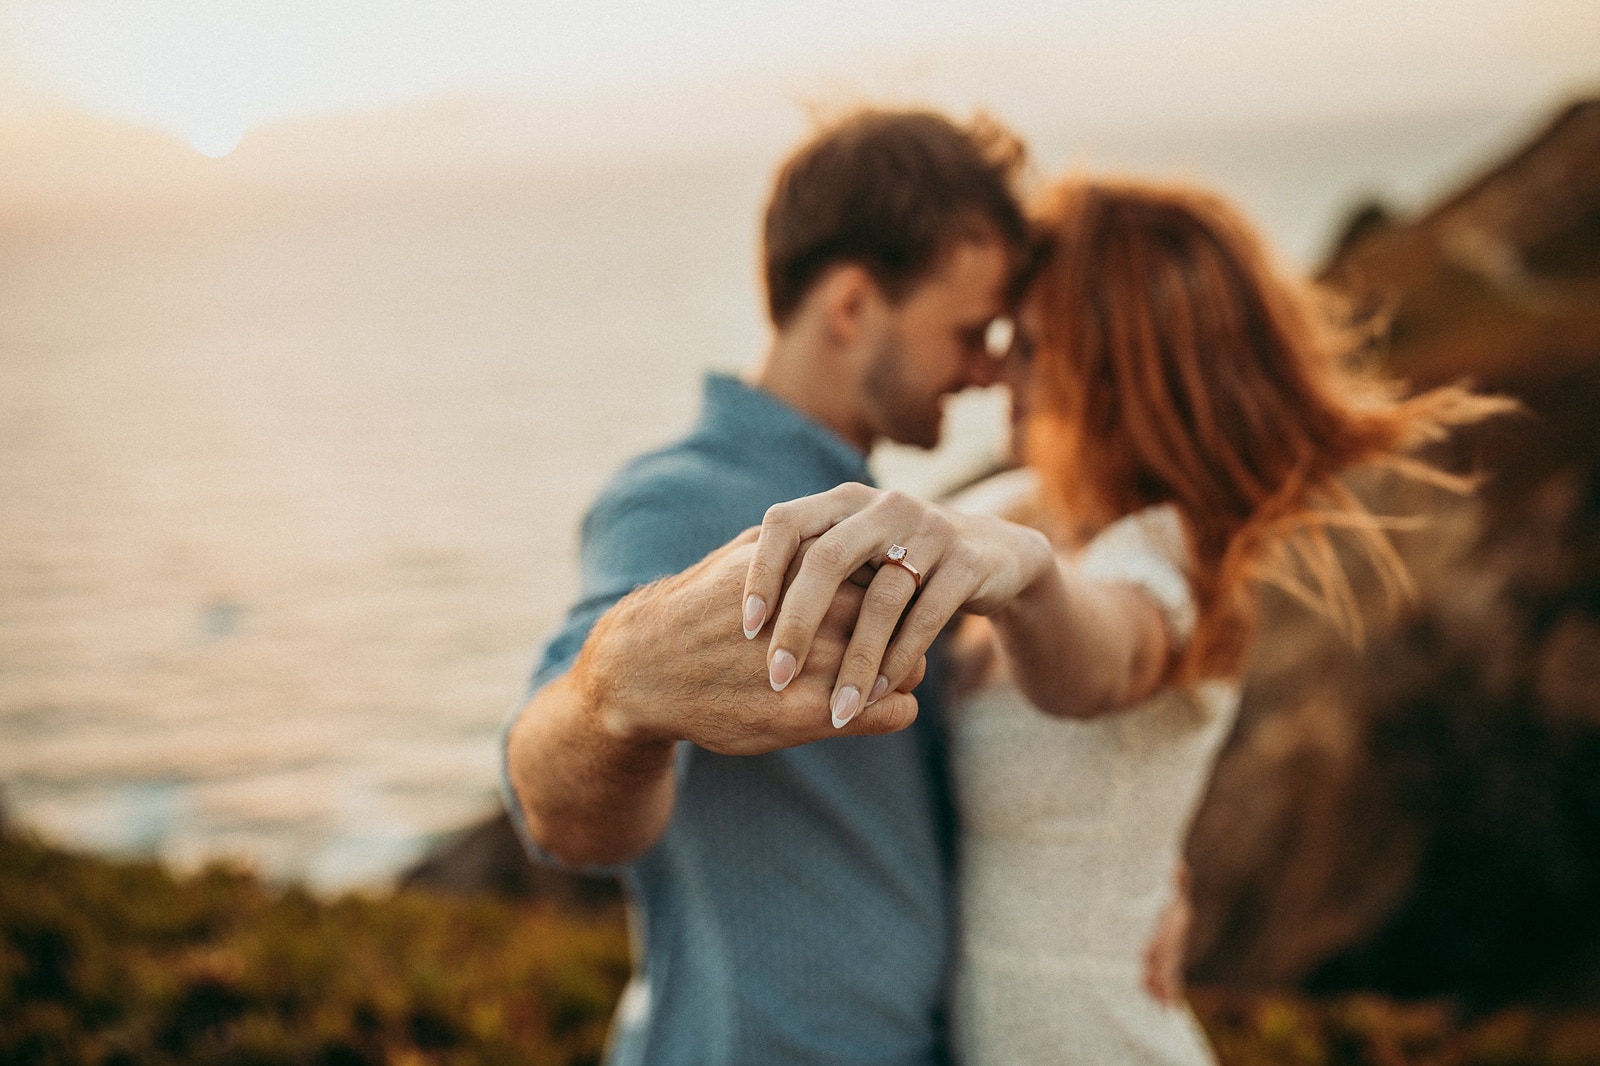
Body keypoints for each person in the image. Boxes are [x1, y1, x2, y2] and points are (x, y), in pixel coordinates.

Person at [741, 178, 1511, 1063]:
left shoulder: (1168, 556)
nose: (998, 373)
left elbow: (1098, 663)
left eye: (1029, 346)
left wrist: (1029, 578)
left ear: (1108, 369)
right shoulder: (1026, 504)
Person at [501, 108, 1032, 1064]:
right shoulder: (681, 501)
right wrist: (616, 686)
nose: (989, 367)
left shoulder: (892, 509)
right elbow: (553, 810)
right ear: (851, 308)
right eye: (969, 330)